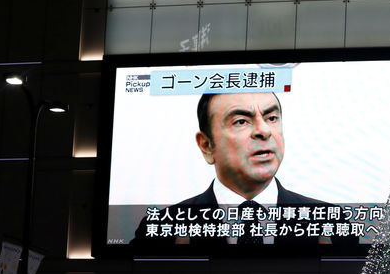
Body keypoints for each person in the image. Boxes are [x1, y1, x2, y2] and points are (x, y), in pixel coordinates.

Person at [131, 91, 357, 250]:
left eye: (272, 118)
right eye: (241, 121)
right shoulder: (164, 226)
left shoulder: (331, 221)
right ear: (207, 146)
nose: (264, 131)